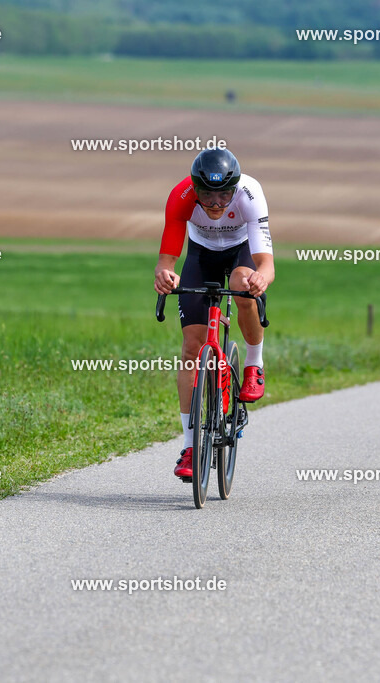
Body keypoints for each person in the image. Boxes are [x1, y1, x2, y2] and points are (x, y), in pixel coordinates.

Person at [153, 148, 275, 480]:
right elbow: (166, 261)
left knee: (242, 284)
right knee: (192, 349)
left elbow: (266, 263)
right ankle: (190, 447)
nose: (217, 203)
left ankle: (254, 364)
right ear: (195, 188)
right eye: (207, 195)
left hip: (240, 252)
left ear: (235, 188)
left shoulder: (250, 193)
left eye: (224, 194)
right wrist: (165, 275)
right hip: (201, 255)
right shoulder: (181, 195)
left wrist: (260, 279)